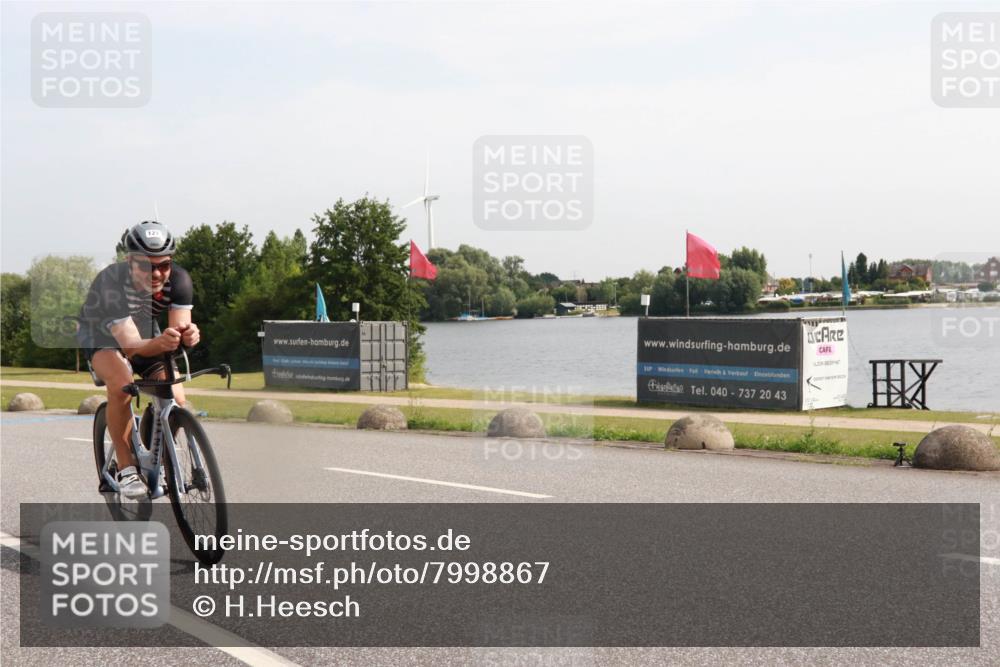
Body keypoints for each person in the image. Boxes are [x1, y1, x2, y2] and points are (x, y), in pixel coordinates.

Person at [77, 221, 200, 499]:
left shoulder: (179, 280)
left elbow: (177, 331)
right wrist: (162, 341)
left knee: (175, 396)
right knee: (122, 383)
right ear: (130, 261)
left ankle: (152, 446)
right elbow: (131, 347)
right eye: (146, 266)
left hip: (143, 330)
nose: (156, 273)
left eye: (164, 265)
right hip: (101, 334)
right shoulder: (110, 282)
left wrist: (187, 336)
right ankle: (126, 466)